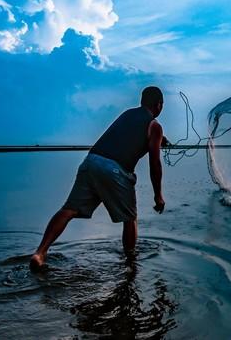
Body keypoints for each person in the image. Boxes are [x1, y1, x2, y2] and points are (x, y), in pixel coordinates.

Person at [30, 86, 167, 271]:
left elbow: (132, 132)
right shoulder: (155, 126)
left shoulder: (128, 114)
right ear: (159, 105)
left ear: (142, 102)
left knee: (69, 209)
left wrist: (161, 138)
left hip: (91, 161)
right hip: (115, 170)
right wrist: (158, 195)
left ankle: (40, 253)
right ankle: (130, 264)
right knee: (130, 218)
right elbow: (155, 164)